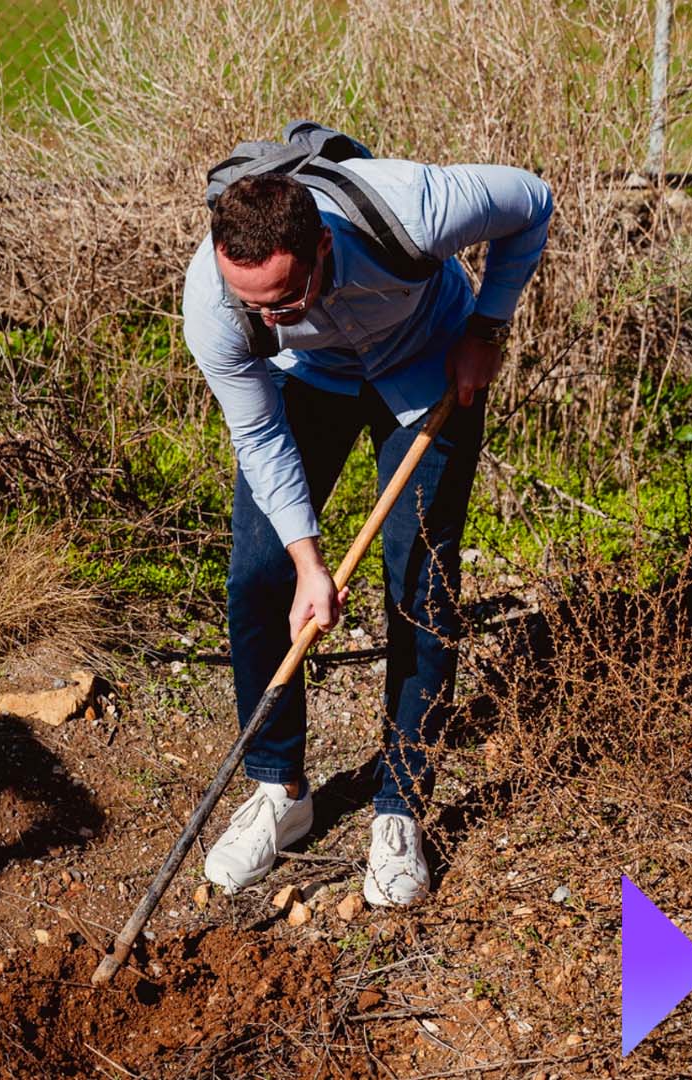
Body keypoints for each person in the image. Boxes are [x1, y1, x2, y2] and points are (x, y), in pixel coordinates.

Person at [181, 154, 552, 906]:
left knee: (418, 574)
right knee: (260, 573)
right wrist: (309, 563)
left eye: (284, 299)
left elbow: (533, 202)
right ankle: (280, 792)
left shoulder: (413, 210)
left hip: (426, 363)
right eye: (251, 304)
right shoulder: (220, 309)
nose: (268, 317)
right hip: (309, 378)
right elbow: (260, 442)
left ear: (322, 248)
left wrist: (488, 325)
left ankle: (399, 807)